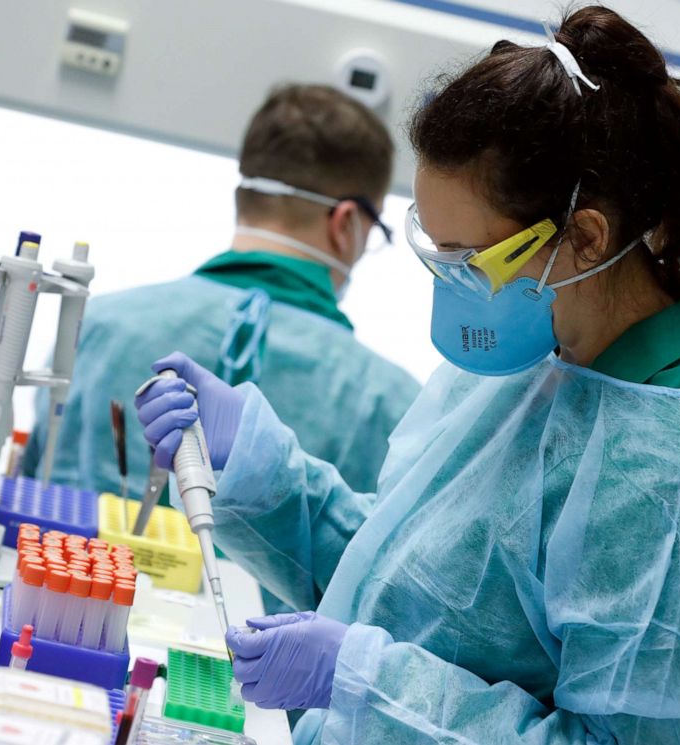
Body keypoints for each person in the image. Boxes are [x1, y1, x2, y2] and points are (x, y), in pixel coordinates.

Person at [135, 8, 680, 744]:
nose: (449, 285)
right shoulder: (537, 360)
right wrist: (261, 474)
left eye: (467, 259)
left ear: (584, 238)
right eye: (435, 250)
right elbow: (411, 585)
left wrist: (363, 681)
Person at [23, 84, 420, 506]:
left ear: (244, 197)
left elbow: (31, 489)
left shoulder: (95, 326)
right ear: (346, 224)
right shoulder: (387, 402)